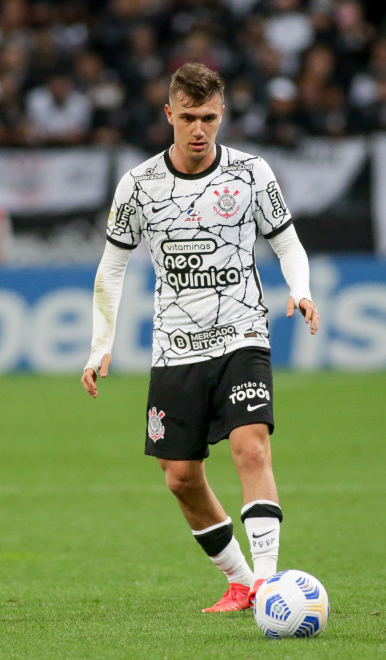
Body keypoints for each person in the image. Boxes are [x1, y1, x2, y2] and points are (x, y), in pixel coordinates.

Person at [80, 63, 319, 612]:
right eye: (187, 117)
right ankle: (239, 581)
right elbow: (110, 269)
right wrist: (101, 345)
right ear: (169, 114)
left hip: (242, 332)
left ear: (222, 114)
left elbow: (288, 244)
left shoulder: (251, 174)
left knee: (250, 447)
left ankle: (268, 587)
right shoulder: (139, 186)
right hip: (176, 347)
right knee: (181, 478)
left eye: (208, 117)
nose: (198, 129)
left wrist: (300, 289)